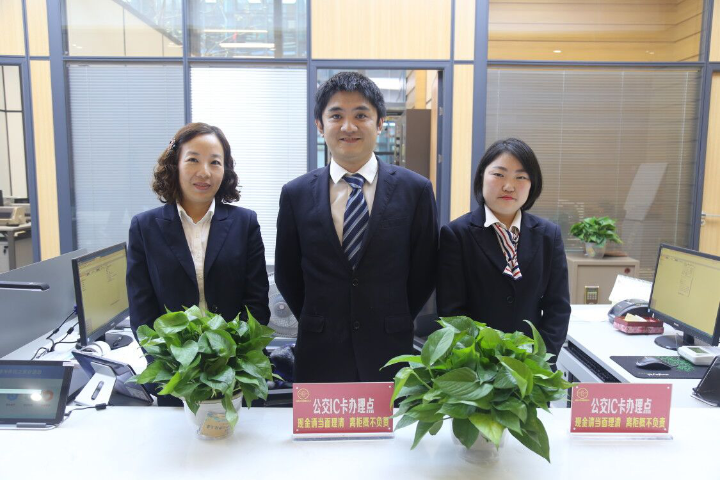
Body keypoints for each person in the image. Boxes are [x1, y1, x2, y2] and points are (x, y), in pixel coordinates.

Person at [275, 72, 438, 383]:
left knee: (389, 420)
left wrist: (393, 317)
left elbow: (424, 272)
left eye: (361, 115)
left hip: (390, 350)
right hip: (320, 352)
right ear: (320, 125)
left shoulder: (415, 190)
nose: (348, 127)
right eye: (336, 116)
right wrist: (319, 318)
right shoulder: (296, 194)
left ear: (379, 123)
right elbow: (287, 273)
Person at [127, 122, 270, 337]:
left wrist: (235, 353)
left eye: (215, 162)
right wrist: (164, 356)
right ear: (175, 164)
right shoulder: (144, 227)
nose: (204, 172)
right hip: (170, 355)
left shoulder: (245, 223)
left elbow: (256, 303)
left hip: (236, 354)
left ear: (225, 170)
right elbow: (141, 310)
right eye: (193, 160)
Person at [437, 138, 570, 358]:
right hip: (476, 366)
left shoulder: (549, 235)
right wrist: (482, 363)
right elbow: (452, 313)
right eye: (499, 174)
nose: (509, 186)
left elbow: (558, 308)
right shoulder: (456, 234)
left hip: (532, 366)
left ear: (533, 184)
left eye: (521, 177)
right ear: (482, 176)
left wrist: (539, 359)